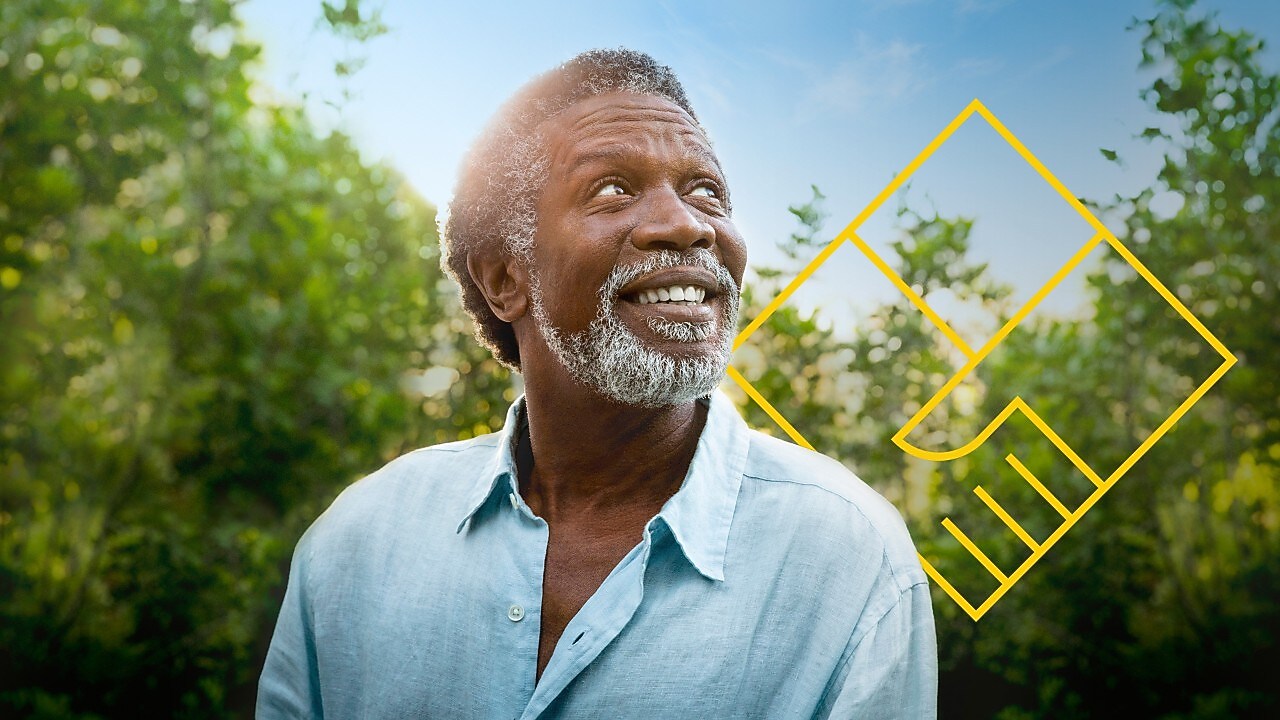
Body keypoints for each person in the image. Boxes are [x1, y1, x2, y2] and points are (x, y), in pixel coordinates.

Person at [257, 48, 937, 719]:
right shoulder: (354, 549)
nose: (686, 224)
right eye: (613, 187)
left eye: (707, 191)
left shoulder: (850, 561)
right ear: (503, 278)